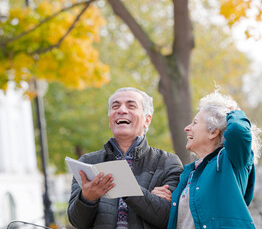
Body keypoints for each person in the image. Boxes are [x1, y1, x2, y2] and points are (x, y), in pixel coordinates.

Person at [67, 87, 183, 229]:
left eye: (131, 105)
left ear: (147, 120)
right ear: (110, 121)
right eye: (115, 106)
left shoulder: (168, 162)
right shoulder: (87, 162)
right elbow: (77, 222)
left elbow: (169, 218)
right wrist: (87, 199)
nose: (121, 110)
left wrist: (127, 187)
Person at [166, 91, 262, 229]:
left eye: (194, 123)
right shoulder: (188, 174)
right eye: (121, 105)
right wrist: (156, 198)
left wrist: (235, 113)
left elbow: (238, 131)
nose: (186, 128)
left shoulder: (230, 161)